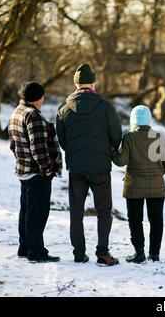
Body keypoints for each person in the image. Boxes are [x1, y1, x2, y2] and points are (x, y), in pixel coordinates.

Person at [56, 63, 122, 266]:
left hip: (76, 168)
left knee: (76, 211)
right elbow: (116, 136)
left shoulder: (64, 110)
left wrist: (75, 154)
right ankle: (102, 253)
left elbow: (62, 140)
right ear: (93, 83)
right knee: (104, 210)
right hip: (100, 167)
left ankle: (78, 253)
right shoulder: (105, 107)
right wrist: (106, 150)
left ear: (76, 84)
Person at [112, 105, 165, 263]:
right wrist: (158, 174)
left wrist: (112, 149)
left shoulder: (129, 137)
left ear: (133, 120)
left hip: (134, 187)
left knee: (135, 220)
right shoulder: (159, 136)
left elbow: (120, 161)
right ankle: (154, 254)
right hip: (157, 186)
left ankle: (139, 253)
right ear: (149, 120)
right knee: (156, 220)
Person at [8, 82, 62, 263]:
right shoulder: (34, 117)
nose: (44, 99)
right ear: (37, 98)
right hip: (37, 173)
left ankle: (25, 247)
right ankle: (36, 252)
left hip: (23, 170)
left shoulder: (17, 112)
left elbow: (13, 145)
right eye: (42, 96)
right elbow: (38, 149)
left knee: (26, 211)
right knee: (37, 214)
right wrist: (47, 170)